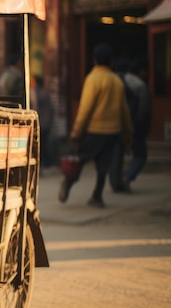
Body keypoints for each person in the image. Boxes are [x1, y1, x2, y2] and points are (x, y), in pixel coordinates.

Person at [58, 43, 133, 208]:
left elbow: (86, 108)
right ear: (111, 61)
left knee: (79, 160)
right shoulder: (117, 81)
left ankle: (68, 184)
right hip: (113, 132)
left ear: (94, 60)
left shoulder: (93, 79)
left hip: (94, 130)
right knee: (103, 166)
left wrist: (77, 131)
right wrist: (128, 132)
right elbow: (124, 110)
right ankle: (97, 196)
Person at [110, 58, 152, 191]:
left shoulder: (112, 82)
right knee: (140, 154)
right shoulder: (139, 84)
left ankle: (116, 182)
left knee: (117, 154)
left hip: (115, 124)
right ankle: (127, 177)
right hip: (134, 125)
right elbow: (145, 108)